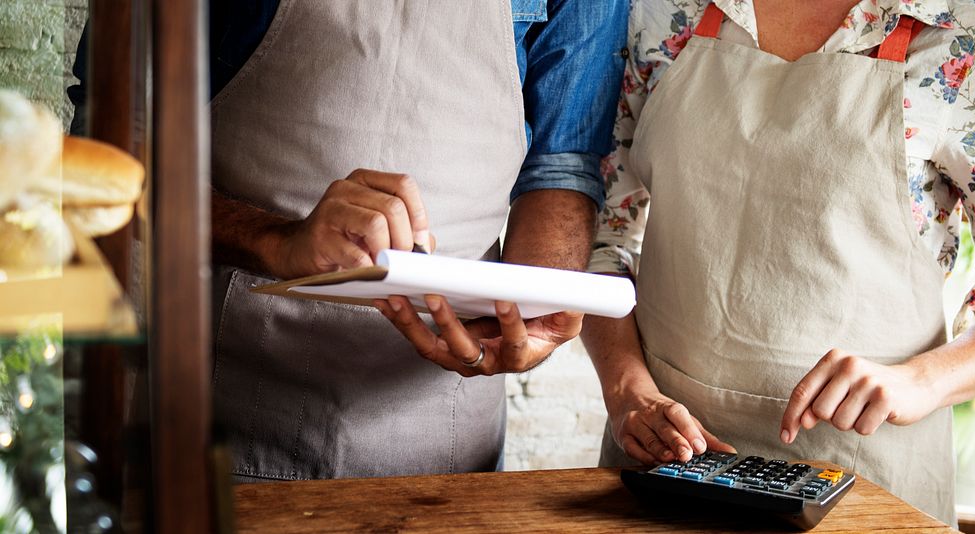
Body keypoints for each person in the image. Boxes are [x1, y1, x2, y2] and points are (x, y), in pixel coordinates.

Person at [71, 0, 628, 480]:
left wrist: (528, 316)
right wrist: (276, 241)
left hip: (447, 430)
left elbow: (561, 165)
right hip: (222, 400)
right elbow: (110, 150)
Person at [581, 0, 975, 525]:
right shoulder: (667, 11)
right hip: (665, 468)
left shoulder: (968, 33)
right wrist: (626, 389)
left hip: (865, 480)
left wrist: (921, 381)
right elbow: (601, 233)